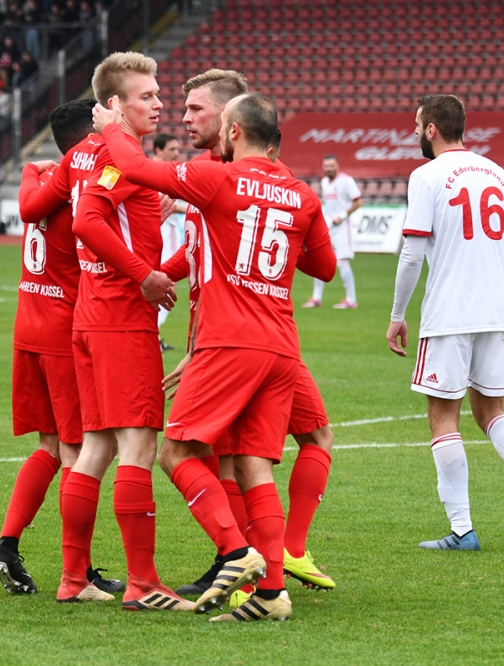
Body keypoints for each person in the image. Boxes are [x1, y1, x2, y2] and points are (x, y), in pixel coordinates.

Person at [95, 91, 335, 622]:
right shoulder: (302, 193)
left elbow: (133, 165)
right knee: (255, 467)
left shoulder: (218, 179)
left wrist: (112, 124)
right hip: (281, 347)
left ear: (233, 132)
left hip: (230, 342)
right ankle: (272, 595)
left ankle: (235, 551)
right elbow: (324, 268)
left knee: (175, 453)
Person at [159, 70, 338, 596]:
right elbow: (196, 256)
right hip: (253, 338)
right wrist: (154, 279)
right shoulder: (271, 180)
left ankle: (254, 557)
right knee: (245, 457)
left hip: (238, 340)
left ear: (229, 120)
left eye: (195, 109)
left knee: (252, 450)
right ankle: (255, 568)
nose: (185, 119)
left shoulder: (215, 176)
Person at [20, 52, 187, 611]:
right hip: (119, 319)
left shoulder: (81, 155)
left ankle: (73, 578)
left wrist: (148, 219)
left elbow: (46, 207)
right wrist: (144, 275)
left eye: (159, 94)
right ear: (113, 105)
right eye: (146, 96)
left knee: (93, 449)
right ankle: (143, 583)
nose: (159, 104)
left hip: (86, 318)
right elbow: (90, 221)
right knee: (139, 445)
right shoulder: (122, 154)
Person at [386, 94, 504, 552]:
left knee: (444, 417)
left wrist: (399, 314)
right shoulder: (498, 173)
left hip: (448, 314)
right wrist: (499, 291)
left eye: (417, 125)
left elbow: (412, 253)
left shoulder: (426, 176)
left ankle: (463, 530)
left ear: (432, 130)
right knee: (492, 412)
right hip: (496, 310)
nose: (414, 132)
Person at [0, 98, 123, 600]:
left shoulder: (38, 177)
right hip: (66, 334)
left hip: (28, 327)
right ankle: (78, 572)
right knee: (78, 453)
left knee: (50, 446)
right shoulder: (79, 189)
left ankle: (7, 544)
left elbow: (27, 205)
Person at [304, 155, 362, 309]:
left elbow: (358, 202)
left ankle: (351, 300)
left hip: (343, 227)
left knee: (342, 262)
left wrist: (342, 216)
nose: (329, 169)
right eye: (326, 166)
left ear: (337, 166)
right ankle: (316, 298)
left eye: (331, 166)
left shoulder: (346, 181)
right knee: (319, 259)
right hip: (328, 226)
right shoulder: (324, 182)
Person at [153, 132, 182, 351]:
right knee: (164, 283)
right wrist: (195, 207)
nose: (176, 154)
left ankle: (155, 335)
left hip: (168, 229)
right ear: (158, 151)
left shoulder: (168, 172)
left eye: (178, 149)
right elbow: (162, 202)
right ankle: (153, 335)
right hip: (163, 231)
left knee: (164, 284)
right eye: (171, 149)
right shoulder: (155, 172)